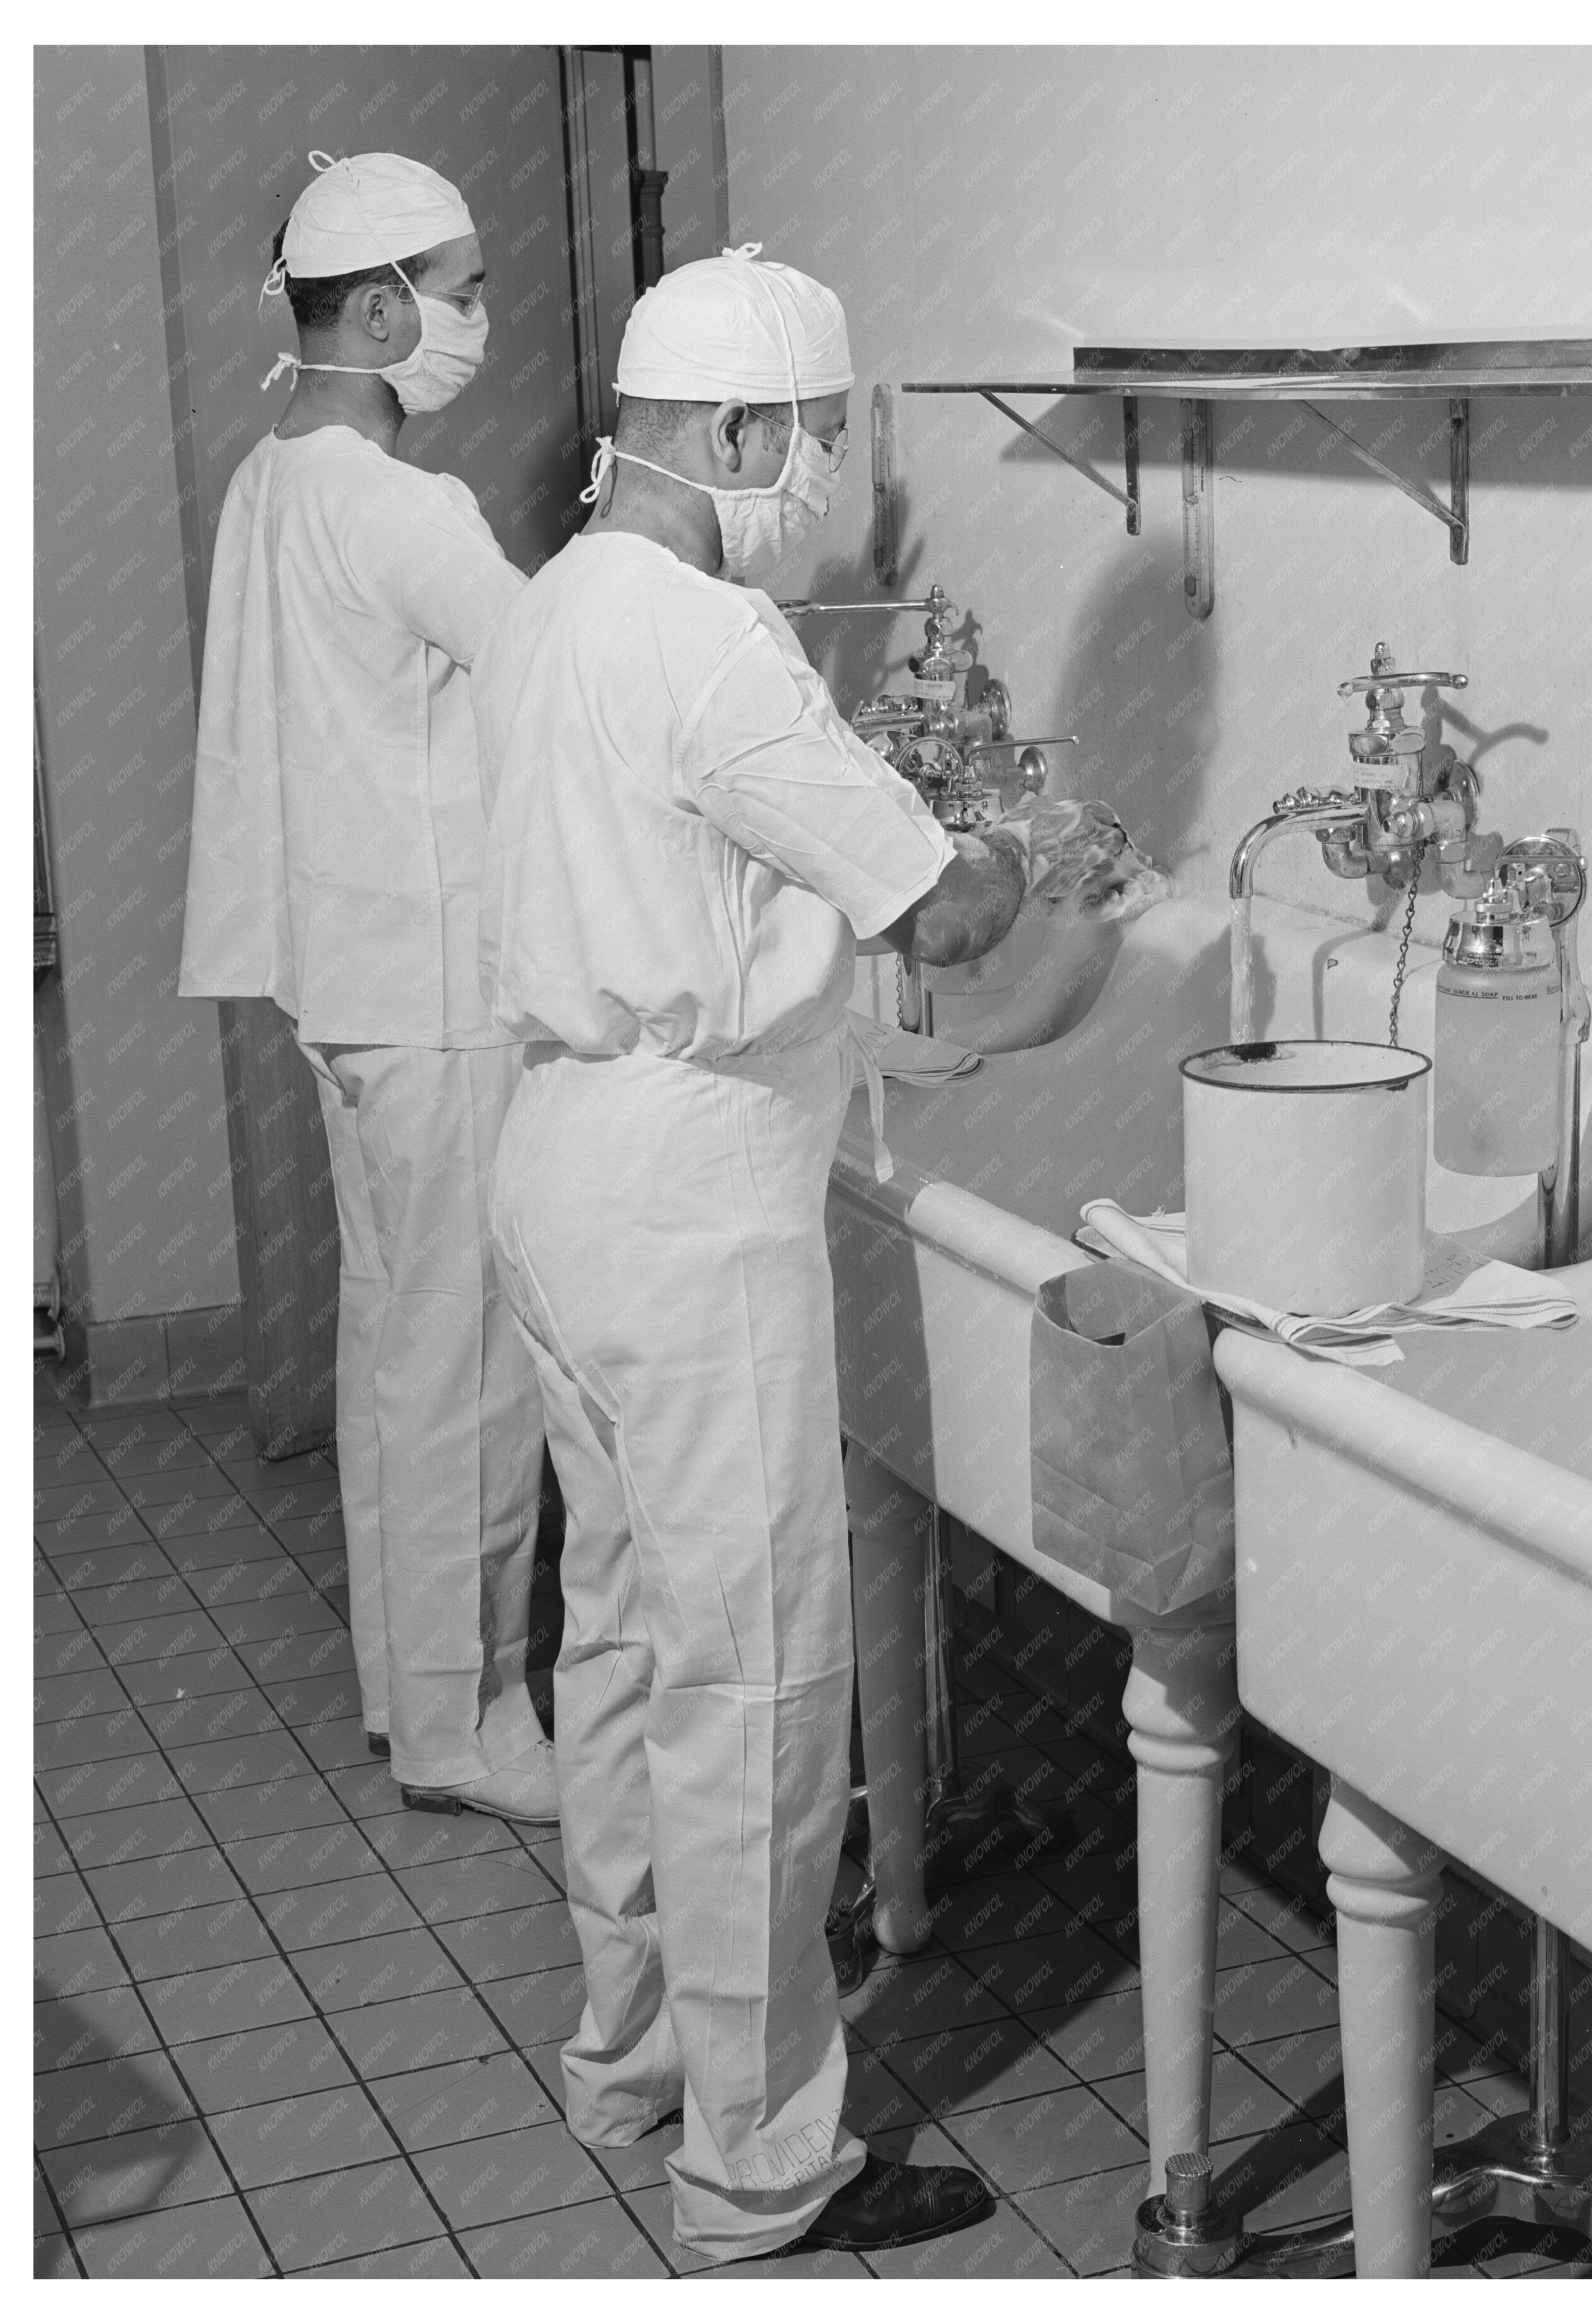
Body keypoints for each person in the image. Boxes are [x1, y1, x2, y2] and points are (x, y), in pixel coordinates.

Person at [474, 243, 1073, 2260]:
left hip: (556, 1154)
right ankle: (758, 2170)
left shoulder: (553, 610)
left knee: (629, 1640)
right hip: (693, 1194)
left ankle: (628, 2051)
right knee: (756, 1683)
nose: (820, 486)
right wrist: (1019, 852)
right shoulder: (716, 641)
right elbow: (942, 915)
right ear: (733, 430)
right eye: (814, 446)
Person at [179, 151, 555, 1823]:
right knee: (469, 1364)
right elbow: (571, 681)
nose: (478, 320)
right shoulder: (409, 508)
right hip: (445, 982)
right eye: (465, 291)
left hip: (343, 984)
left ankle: (413, 1701)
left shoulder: (281, 478)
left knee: (395, 1347)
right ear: (387, 305)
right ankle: (474, 1720)